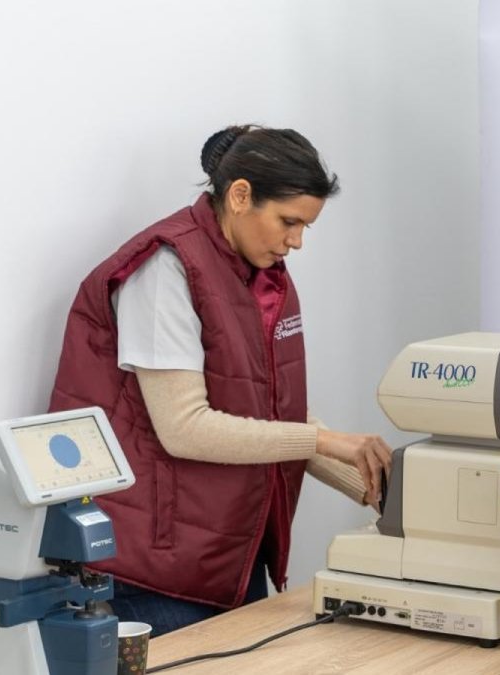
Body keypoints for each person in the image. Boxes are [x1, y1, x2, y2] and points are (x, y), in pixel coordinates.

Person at [48, 125, 393, 636]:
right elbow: (185, 427)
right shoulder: (164, 269)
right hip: (153, 570)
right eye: (288, 222)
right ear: (239, 196)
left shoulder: (257, 275)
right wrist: (326, 440)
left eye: (305, 228)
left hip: (225, 554)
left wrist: (385, 493)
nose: (295, 242)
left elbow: (267, 418)